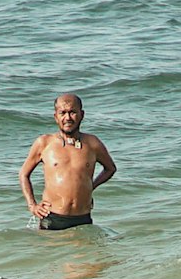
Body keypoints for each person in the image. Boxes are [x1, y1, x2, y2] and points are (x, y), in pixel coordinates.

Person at [18, 93, 116, 230]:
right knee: (53, 252)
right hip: (52, 217)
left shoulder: (93, 143)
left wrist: (90, 188)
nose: (67, 118)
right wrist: (32, 205)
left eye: (72, 112)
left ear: (82, 114)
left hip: (83, 217)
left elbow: (110, 168)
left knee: (89, 252)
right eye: (62, 113)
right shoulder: (44, 143)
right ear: (56, 117)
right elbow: (23, 174)